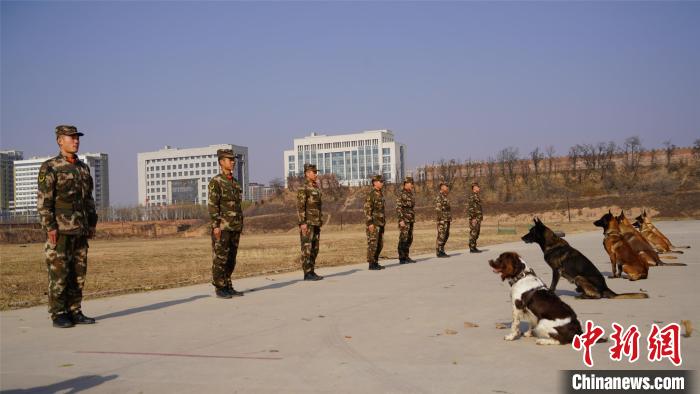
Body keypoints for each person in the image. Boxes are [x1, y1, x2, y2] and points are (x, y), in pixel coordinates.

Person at [37, 125, 98, 328]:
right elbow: (44, 201)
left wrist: (91, 223)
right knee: (59, 272)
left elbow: (88, 199)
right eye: (71, 138)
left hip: (80, 228)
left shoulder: (83, 168)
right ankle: (59, 313)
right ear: (59, 141)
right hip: (61, 229)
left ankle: (75, 310)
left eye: (77, 137)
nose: (76, 141)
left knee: (78, 273)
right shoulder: (50, 167)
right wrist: (50, 227)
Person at [208, 149, 244, 298]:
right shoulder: (216, 182)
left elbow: (237, 205)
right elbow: (212, 205)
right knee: (220, 258)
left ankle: (228, 284)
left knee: (231, 258)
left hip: (234, 226)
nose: (233, 162)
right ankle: (219, 287)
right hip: (222, 227)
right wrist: (216, 226)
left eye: (233, 159)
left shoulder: (235, 182)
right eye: (229, 159)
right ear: (221, 162)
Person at [296, 163, 324, 281]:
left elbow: (318, 206)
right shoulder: (303, 187)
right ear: (307, 173)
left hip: (316, 222)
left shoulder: (316, 187)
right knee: (307, 248)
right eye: (314, 172)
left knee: (315, 248)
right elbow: (301, 206)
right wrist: (302, 222)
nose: (316, 174)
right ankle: (307, 273)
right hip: (307, 222)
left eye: (316, 172)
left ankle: (312, 271)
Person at [364, 175, 386, 270]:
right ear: (374, 182)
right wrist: (370, 223)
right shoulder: (371, 194)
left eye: (382, 181)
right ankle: (371, 263)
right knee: (373, 244)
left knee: (379, 244)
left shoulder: (380, 194)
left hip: (380, 223)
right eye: (380, 181)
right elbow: (367, 209)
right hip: (374, 223)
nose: (382, 183)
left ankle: (375, 261)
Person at [396, 176, 416, 264]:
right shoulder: (401, 194)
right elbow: (398, 207)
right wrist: (401, 220)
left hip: (410, 219)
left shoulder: (410, 194)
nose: (412, 185)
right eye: (411, 183)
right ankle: (402, 257)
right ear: (406, 184)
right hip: (404, 219)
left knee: (409, 238)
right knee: (403, 238)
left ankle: (406, 256)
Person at [435, 181, 451, 257]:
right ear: (441, 187)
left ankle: (442, 249)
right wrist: (440, 219)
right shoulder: (439, 197)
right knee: (441, 235)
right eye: (445, 186)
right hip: (442, 219)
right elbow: (438, 209)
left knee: (446, 234)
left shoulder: (445, 196)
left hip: (447, 219)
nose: (447, 187)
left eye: (447, 186)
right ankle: (439, 251)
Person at [468, 181, 483, 253]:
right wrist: (473, 218)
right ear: (474, 188)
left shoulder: (476, 196)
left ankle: (474, 246)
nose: (479, 188)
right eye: (478, 187)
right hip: (474, 218)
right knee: (473, 232)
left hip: (478, 218)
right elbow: (471, 208)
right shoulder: (472, 196)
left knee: (477, 232)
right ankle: (472, 247)